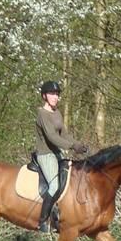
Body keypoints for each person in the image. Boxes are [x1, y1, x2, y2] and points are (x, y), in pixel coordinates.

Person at [34, 80, 88, 232]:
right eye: (52, 94)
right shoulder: (42, 114)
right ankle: (43, 221)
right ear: (44, 96)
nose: (55, 97)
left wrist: (78, 144)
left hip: (57, 152)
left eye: (57, 94)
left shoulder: (56, 112)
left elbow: (63, 134)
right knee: (54, 186)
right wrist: (71, 146)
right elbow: (52, 137)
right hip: (46, 154)